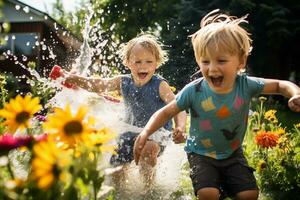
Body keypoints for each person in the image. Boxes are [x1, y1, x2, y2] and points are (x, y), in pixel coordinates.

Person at [134, 10, 300, 200]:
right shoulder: (193, 91)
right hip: (200, 154)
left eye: (221, 61)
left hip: (232, 153)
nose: (212, 68)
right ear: (198, 60)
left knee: (249, 195)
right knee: (208, 194)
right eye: (205, 61)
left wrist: (295, 93)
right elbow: (164, 113)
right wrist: (146, 132)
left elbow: (280, 85)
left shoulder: (245, 85)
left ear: (241, 61)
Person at [62, 33, 187, 189]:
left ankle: (149, 191)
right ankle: (121, 193)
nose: (143, 66)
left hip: (155, 132)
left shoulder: (160, 85)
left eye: (149, 61)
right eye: (137, 61)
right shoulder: (123, 81)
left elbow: (178, 107)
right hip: (129, 131)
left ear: (156, 64)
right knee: (116, 167)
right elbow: (99, 85)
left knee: (148, 150)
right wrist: (73, 78)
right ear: (128, 63)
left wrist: (180, 127)